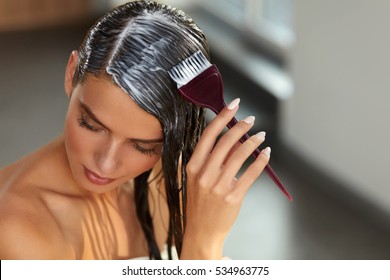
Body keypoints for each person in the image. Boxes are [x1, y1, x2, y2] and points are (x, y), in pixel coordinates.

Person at [0, 0, 271, 260]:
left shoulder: (170, 175)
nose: (105, 164)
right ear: (72, 74)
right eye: (90, 125)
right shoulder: (15, 231)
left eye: (143, 146)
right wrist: (203, 244)